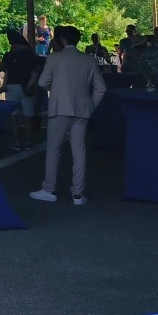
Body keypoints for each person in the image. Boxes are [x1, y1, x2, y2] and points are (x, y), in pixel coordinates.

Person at [31, 25, 105, 206]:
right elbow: (101, 88)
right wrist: (90, 105)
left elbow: (42, 82)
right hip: (82, 110)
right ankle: (78, 193)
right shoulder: (88, 60)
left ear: (62, 39)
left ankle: (49, 189)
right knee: (79, 151)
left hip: (59, 108)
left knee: (54, 150)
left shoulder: (54, 57)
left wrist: (55, 90)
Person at [1, 29, 42, 150]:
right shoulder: (30, 54)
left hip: (12, 85)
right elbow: (36, 70)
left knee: (14, 116)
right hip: (27, 86)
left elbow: (2, 67)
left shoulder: (9, 55)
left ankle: (17, 141)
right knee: (28, 114)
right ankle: (28, 141)